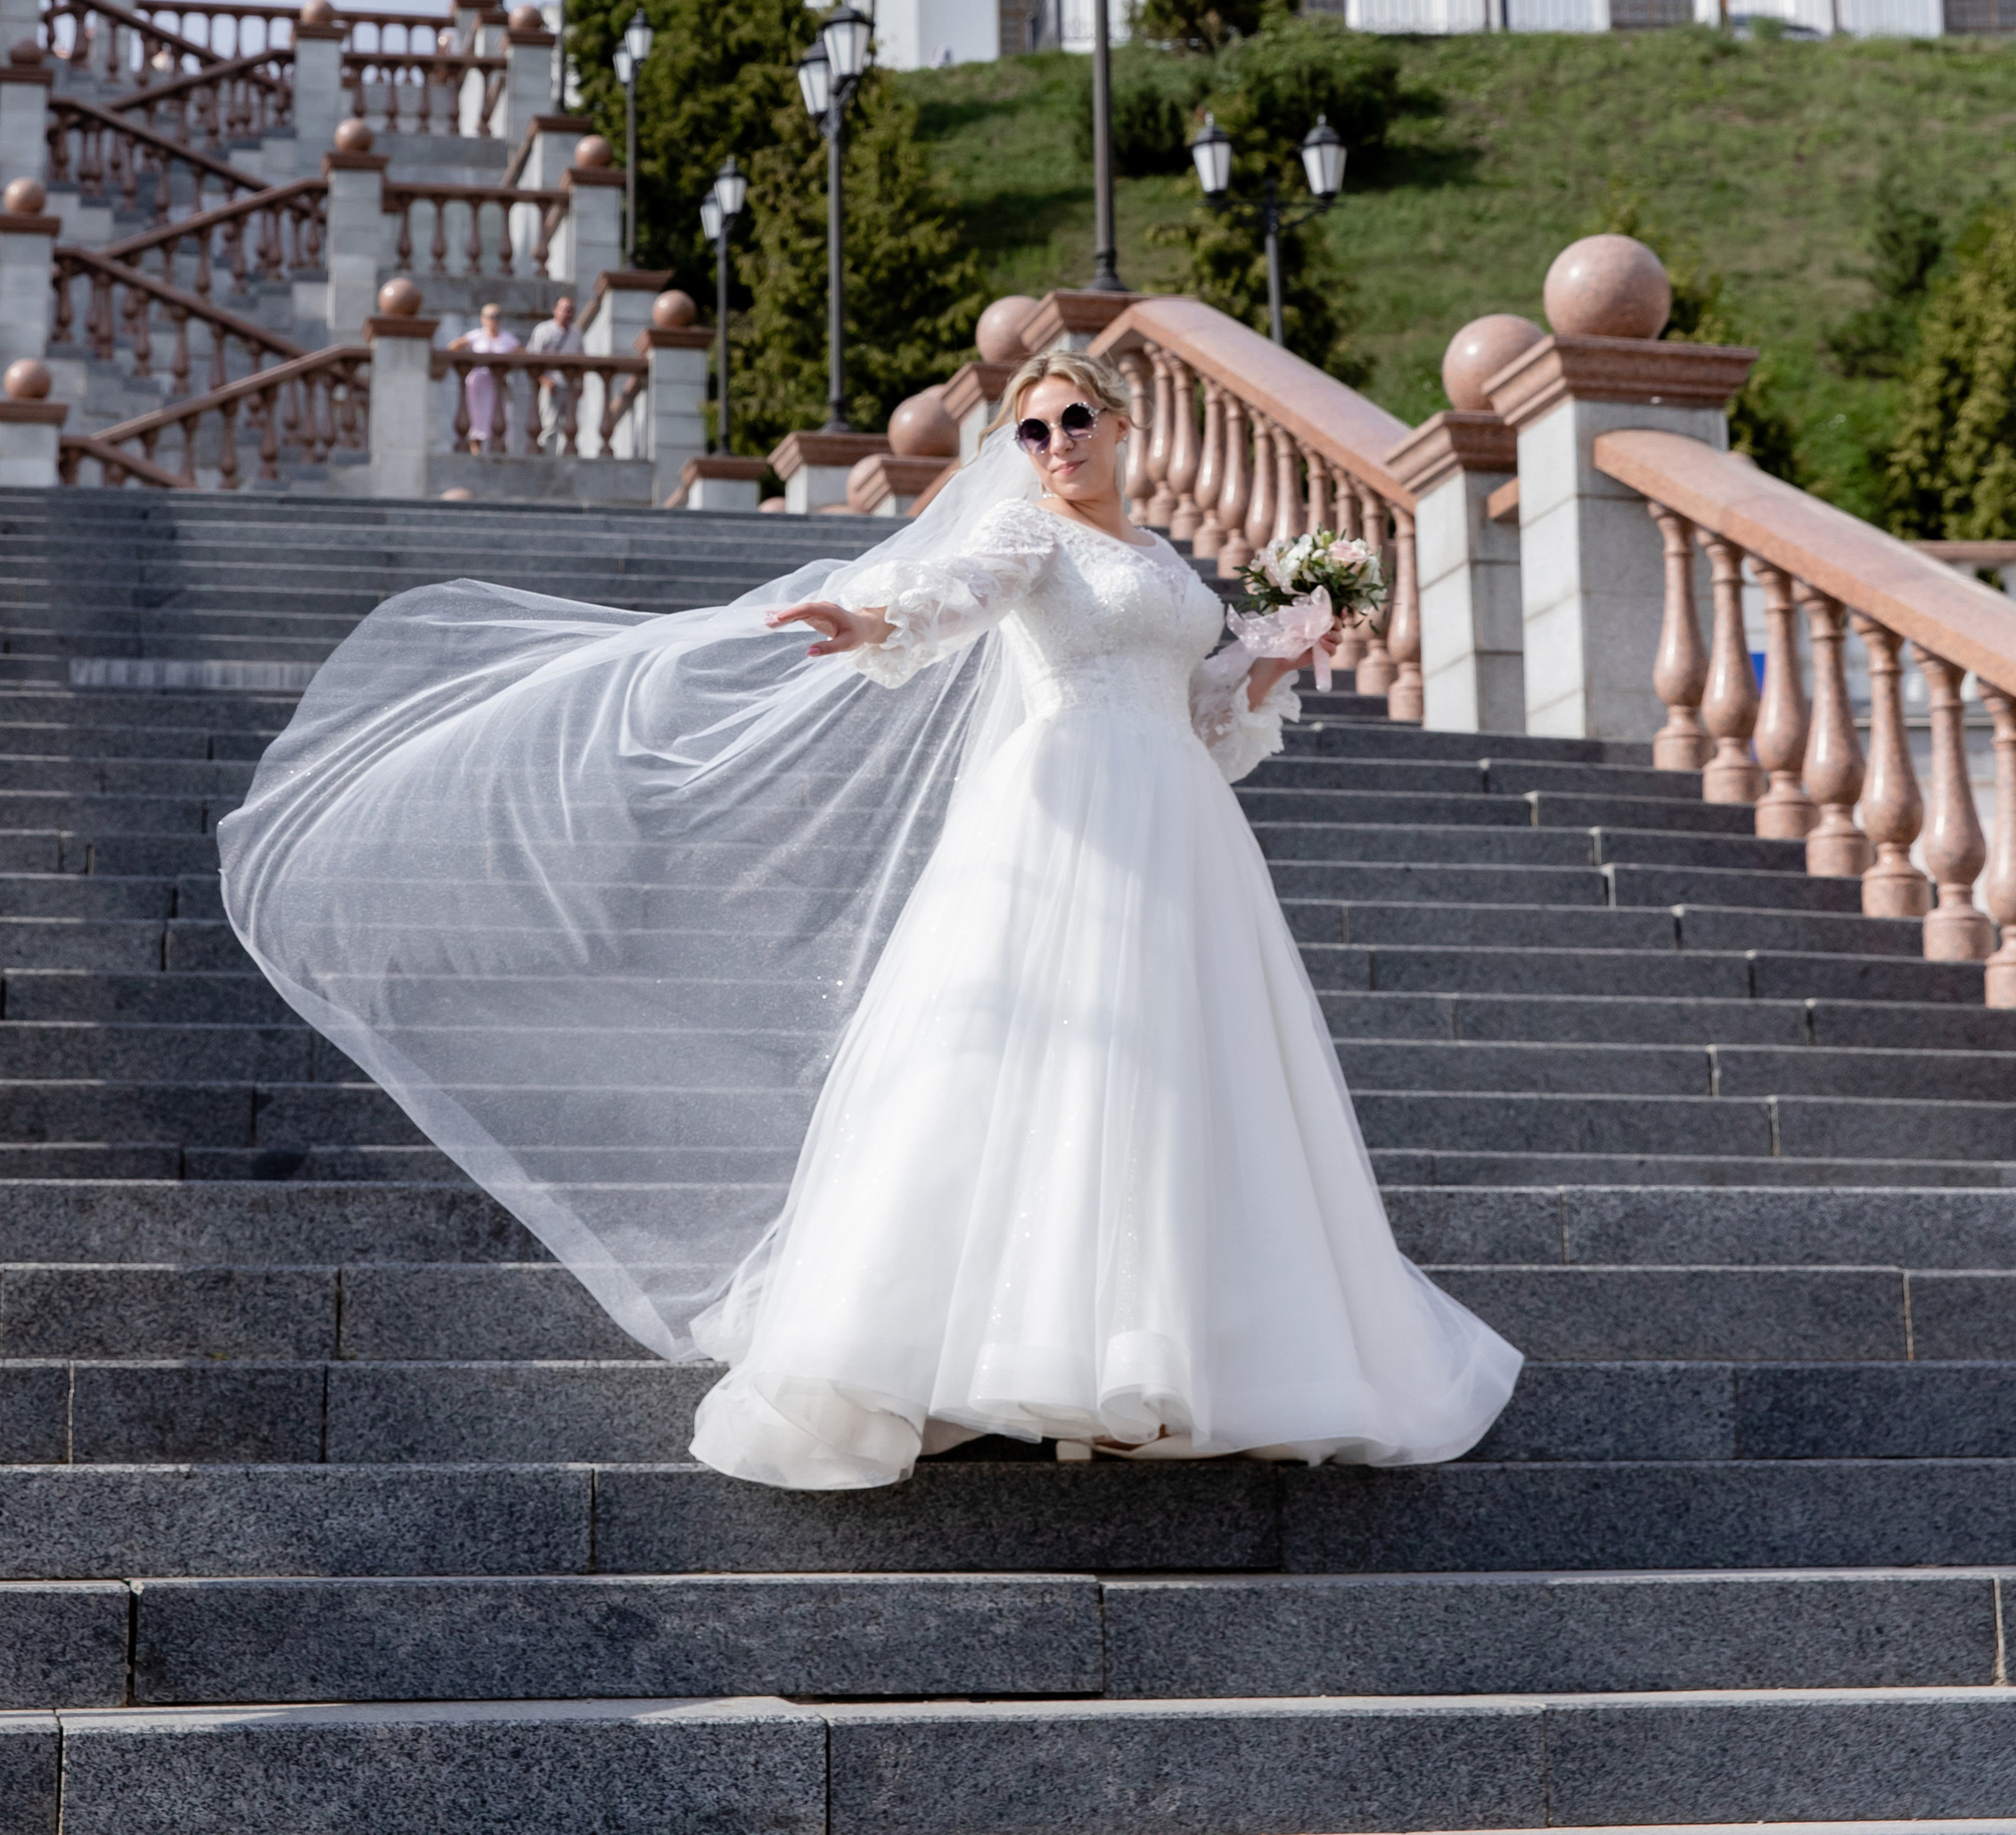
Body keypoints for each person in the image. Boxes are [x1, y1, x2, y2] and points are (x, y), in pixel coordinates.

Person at [220, 342, 1520, 1494]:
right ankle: (1037, 1356)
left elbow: (1200, 717)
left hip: (1180, 824)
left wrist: (1275, 657)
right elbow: (961, 591)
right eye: (1034, 431)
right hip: (1067, 815)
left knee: (1185, 1076)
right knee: (1059, 1064)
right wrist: (871, 614)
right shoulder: (1033, 539)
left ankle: (1182, 1358)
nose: (1056, 447)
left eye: (1076, 423)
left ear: (1126, 431)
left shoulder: (1166, 563)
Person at [444, 303, 521, 457]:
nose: (494, 321)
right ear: (483, 319)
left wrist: (509, 366)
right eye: (491, 317)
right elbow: (453, 346)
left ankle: (497, 451)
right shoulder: (476, 336)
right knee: (476, 417)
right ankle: (476, 451)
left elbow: (523, 353)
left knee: (498, 415)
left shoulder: (506, 338)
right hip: (478, 384)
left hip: (496, 384)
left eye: (497, 317)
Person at [523, 292, 584, 452]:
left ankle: (566, 459)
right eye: (563, 309)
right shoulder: (544, 330)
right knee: (549, 426)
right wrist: (544, 380)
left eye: (570, 310)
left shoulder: (576, 334)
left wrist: (580, 383)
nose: (567, 313)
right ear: (555, 310)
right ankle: (547, 458)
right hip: (552, 385)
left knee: (570, 426)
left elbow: (582, 362)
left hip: (570, 386)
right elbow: (533, 360)